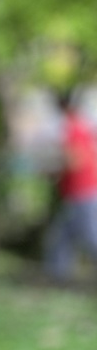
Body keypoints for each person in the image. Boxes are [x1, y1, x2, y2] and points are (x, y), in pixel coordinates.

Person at [44, 90, 97, 282]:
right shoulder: (82, 125)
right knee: (62, 234)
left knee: (91, 236)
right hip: (80, 190)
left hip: (81, 191)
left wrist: (54, 171)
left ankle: (56, 274)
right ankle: (56, 275)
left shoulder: (72, 127)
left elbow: (76, 159)